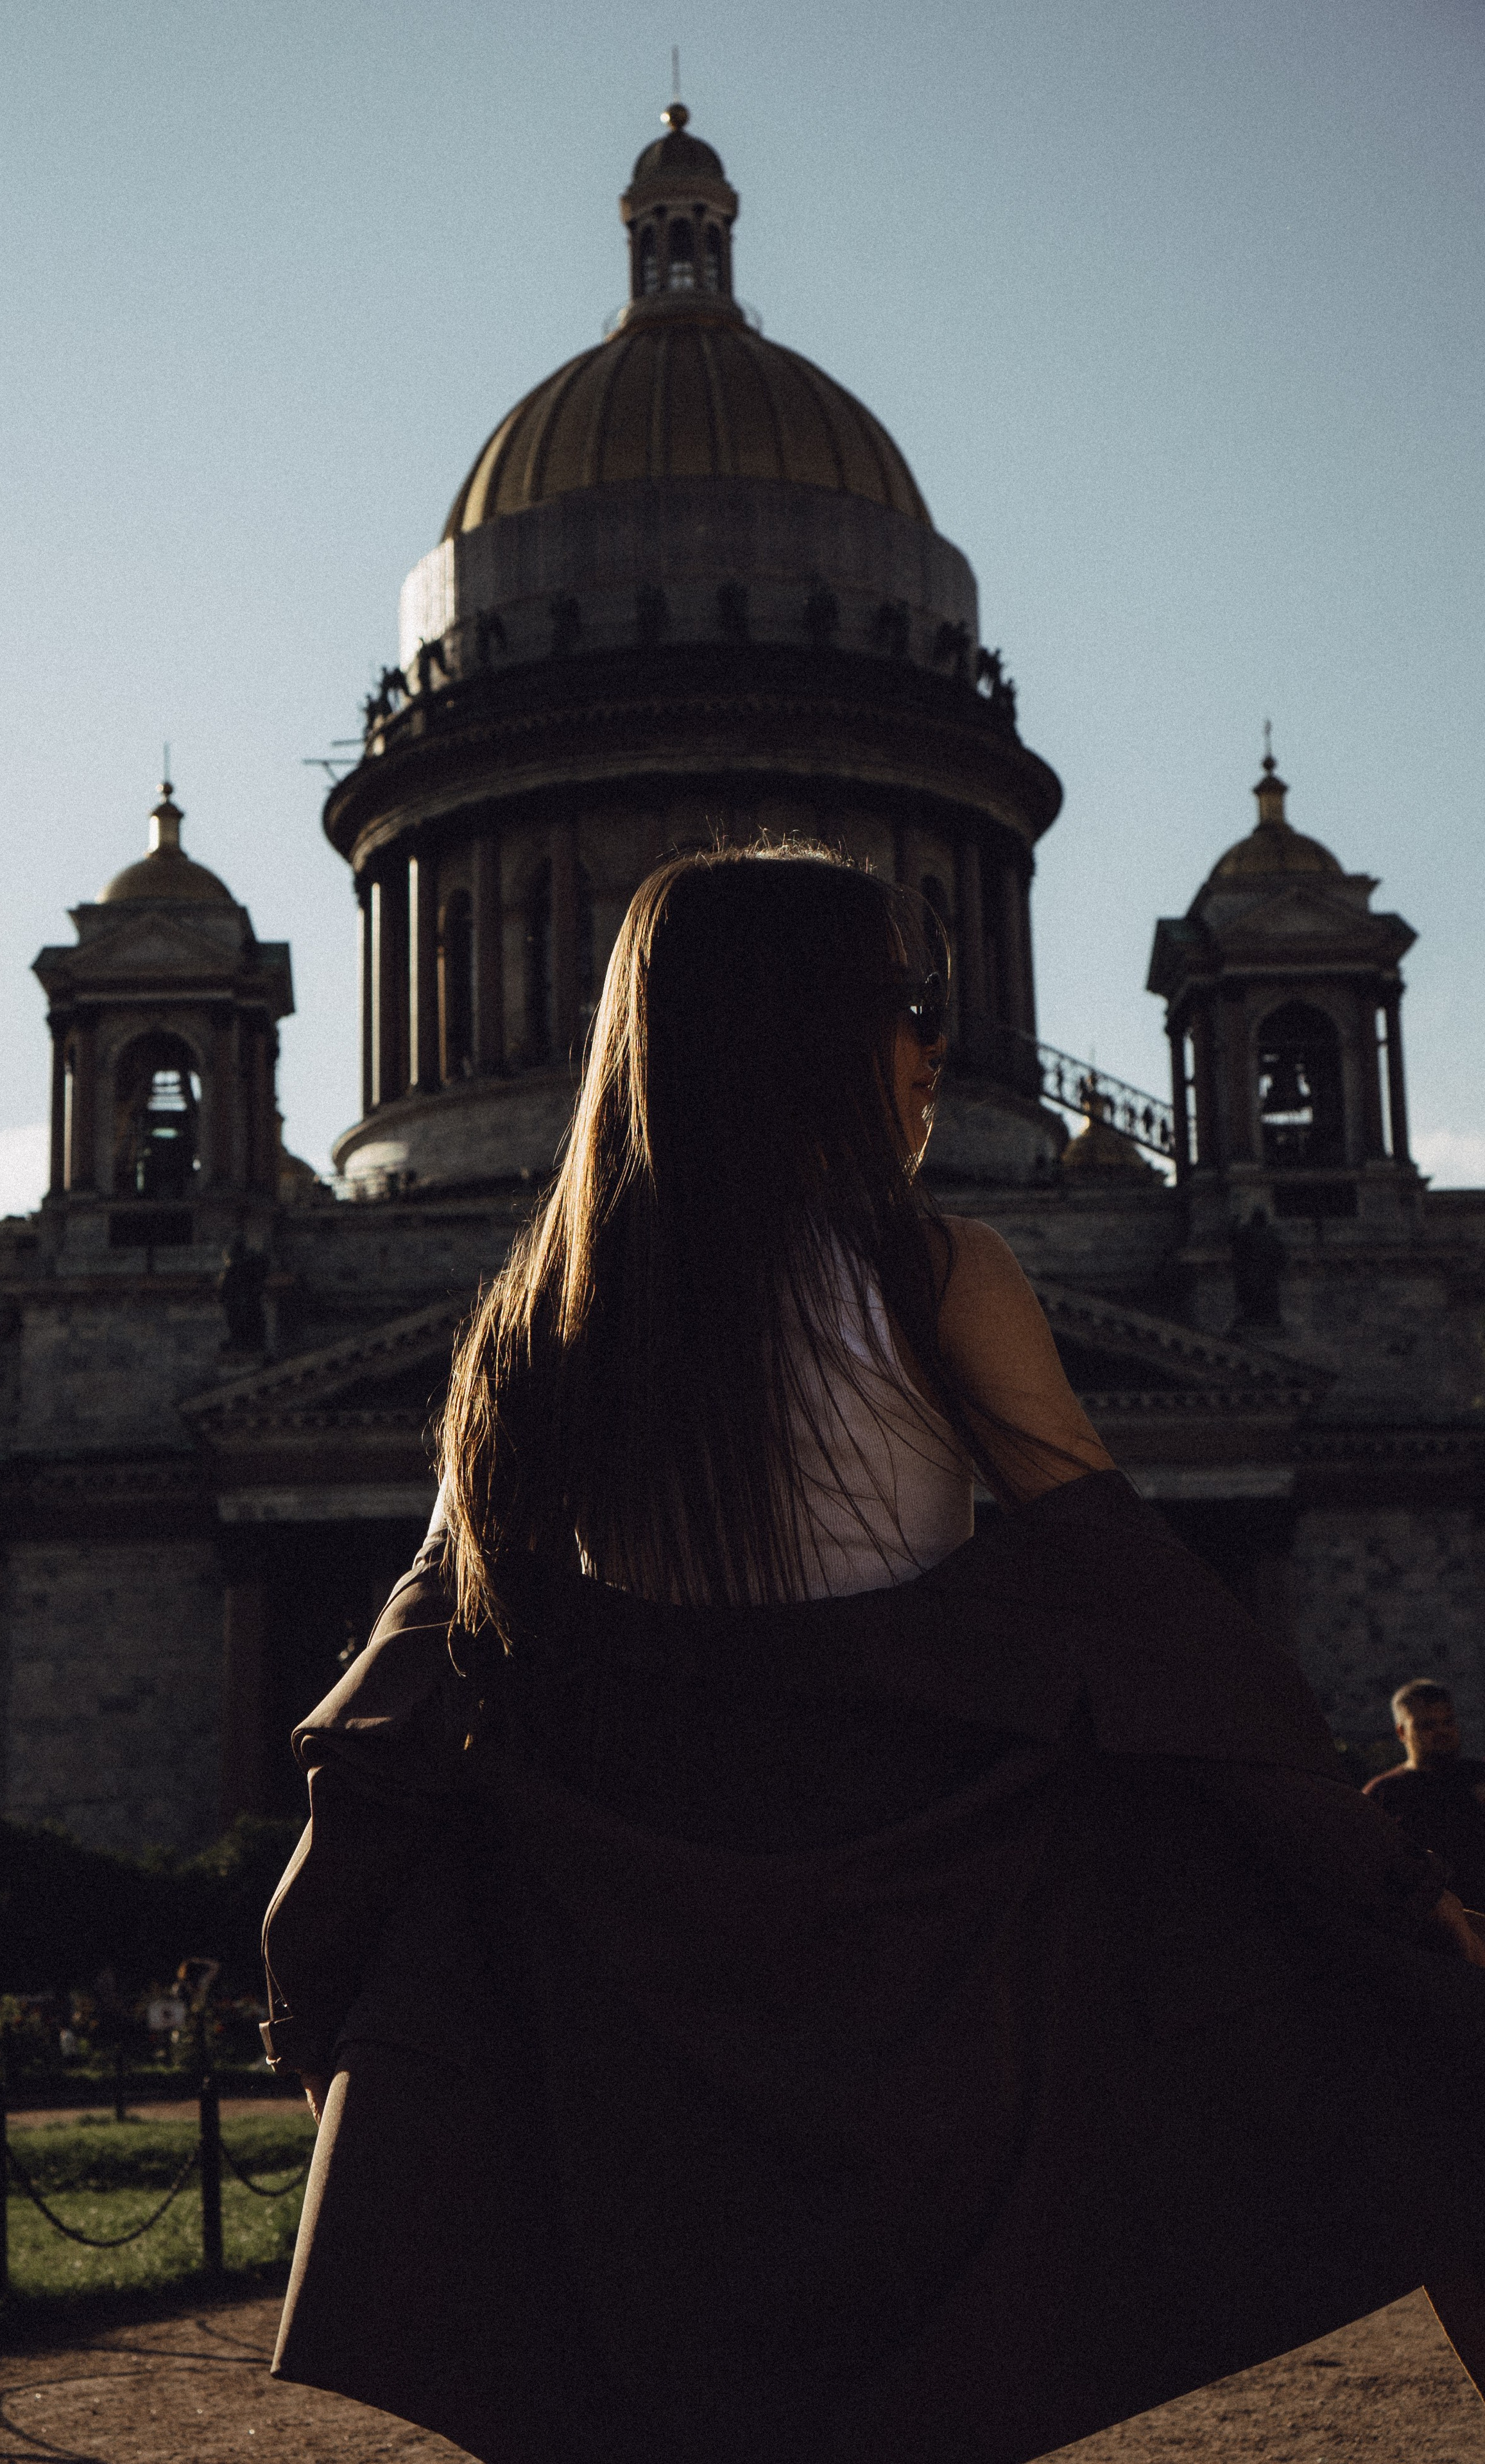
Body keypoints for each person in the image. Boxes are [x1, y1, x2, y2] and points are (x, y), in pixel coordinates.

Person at [262, 845, 1485, 2464]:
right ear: (803, 1029)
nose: (934, 1045)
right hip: (924, 1942)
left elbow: (410, 1671)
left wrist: (318, 1945)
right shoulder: (936, 1274)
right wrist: (1371, 1875)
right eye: (908, 1004)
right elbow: (1145, 1610)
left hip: (637, 1963)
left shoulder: (529, 1333)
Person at [1365, 1681, 1485, 1912]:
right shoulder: (1384, 1794)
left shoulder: (1479, 1777)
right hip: (1431, 1926)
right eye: (1427, 1725)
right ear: (1402, 1731)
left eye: (1447, 1722)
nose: (1442, 1732)